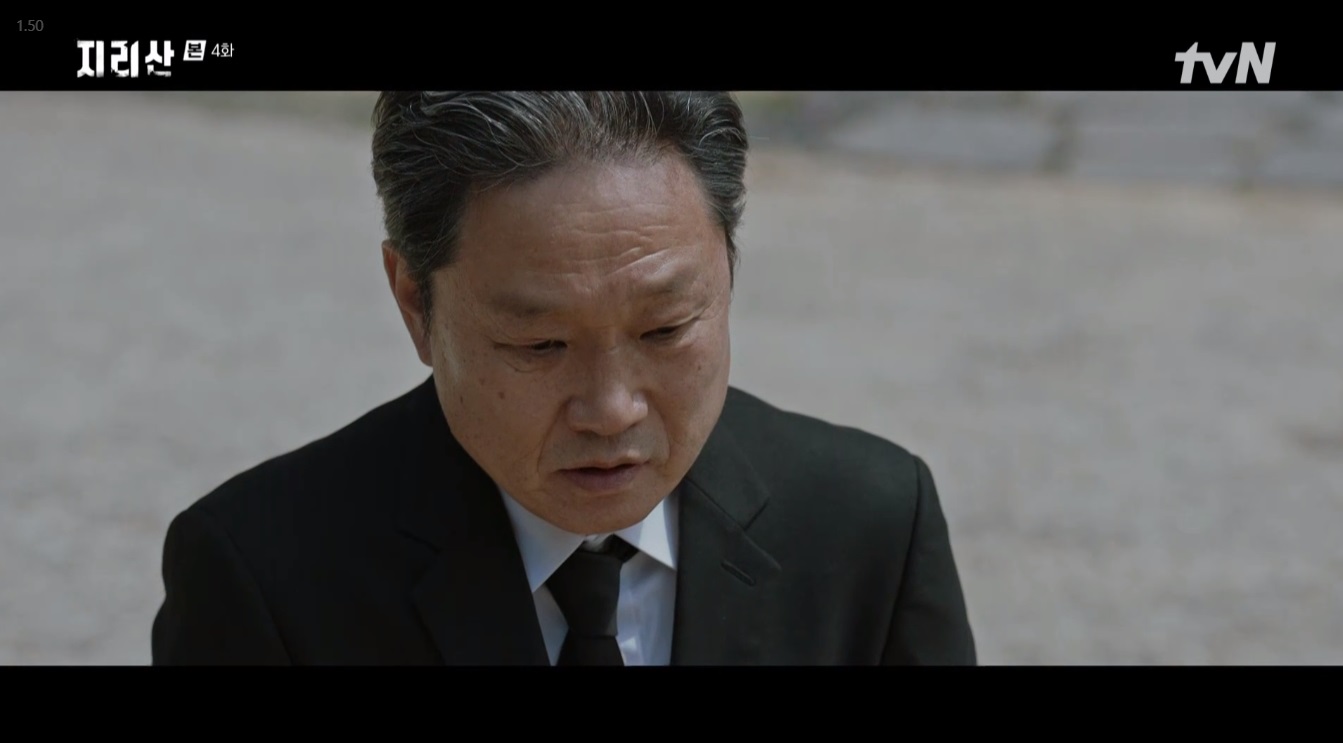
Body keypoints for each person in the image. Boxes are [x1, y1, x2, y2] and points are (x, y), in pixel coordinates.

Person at [150, 91, 976, 665]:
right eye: (540, 343)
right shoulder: (265, 576)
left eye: (664, 328)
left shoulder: (870, 526)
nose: (611, 410)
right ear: (414, 303)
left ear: (726, 270)